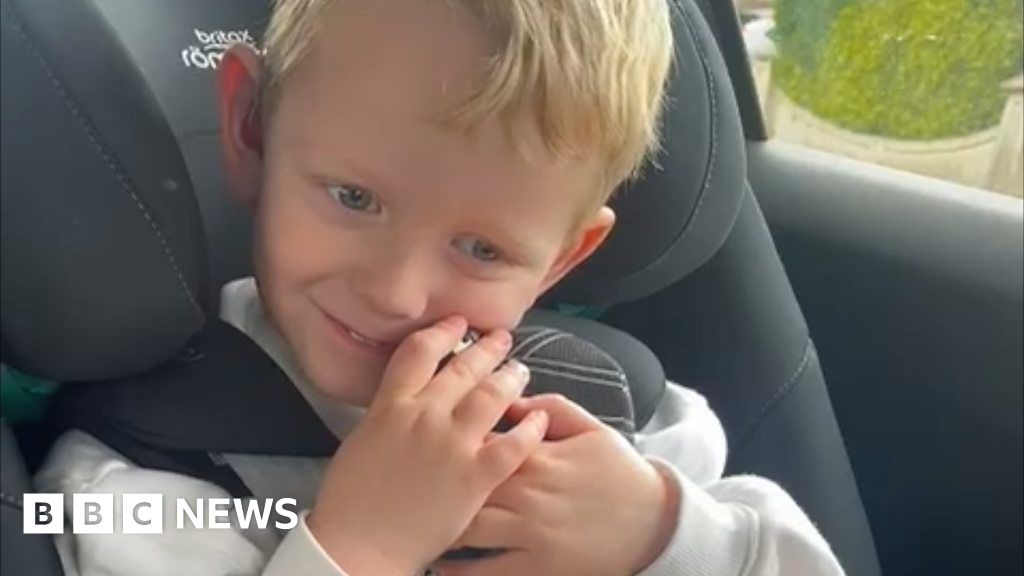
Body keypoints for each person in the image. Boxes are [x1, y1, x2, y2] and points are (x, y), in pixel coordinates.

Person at [36, 0, 846, 574]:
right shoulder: (138, 482)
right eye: (354, 198)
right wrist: (359, 550)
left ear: (561, 261)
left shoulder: (620, 417)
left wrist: (663, 538)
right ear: (251, 128)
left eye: (482, 248)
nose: (397, 293)